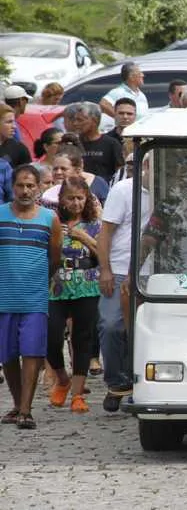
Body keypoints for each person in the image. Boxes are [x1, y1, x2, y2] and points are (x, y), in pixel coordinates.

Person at [0, 165, 61, 429]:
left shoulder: (49, 219)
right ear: (12, 187)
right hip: (3, 297)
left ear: (39, 188)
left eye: (30, 186)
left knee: (32, 352)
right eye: (20, 185)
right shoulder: (0, 215)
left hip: (34, 297)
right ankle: (16, 404)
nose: (25, 191)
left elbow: (54, 257)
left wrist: (41, 281)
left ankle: (26, 409)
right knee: (8, 355)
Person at [95, 156, 152, 412]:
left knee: (142, 332)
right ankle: (116, 381)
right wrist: (105, 269)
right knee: (111, 325)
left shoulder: (169, 191)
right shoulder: (124, 190)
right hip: (119, 268)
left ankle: (137, 384)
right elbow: (105, 232)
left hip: (152, 272)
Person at [46, 177, 102, 413]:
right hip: (57, 285)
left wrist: (84, 238)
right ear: (62, 200)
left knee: (82, 338)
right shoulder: (53, 221)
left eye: (81, 198)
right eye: (71, 198)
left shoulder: (95, 224)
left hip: (87, 283)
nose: (76, 203)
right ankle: (62, 378)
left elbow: (103, 254)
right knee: (51, 337)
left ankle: (78, 393)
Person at [71, 102, 123, 184]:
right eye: (74, 119)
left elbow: (120, 172)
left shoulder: (111, 144)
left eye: (80, 120)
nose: (75, 123)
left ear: (94, 121)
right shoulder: (73, 143)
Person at [0, 103, 31, 168]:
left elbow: (28, 175)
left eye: (14, 122)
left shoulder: (19, 148)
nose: (14, 126)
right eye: (9, 122)